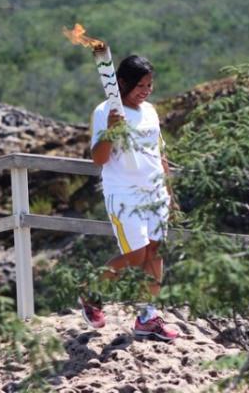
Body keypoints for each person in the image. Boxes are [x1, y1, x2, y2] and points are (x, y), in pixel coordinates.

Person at [79, 55, 178, 341]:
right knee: (136, 255)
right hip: (124, 193)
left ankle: (148, 317)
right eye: (140, 85)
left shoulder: (149, 111)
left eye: (150, 84)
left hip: (155, 193)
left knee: (155, 253)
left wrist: (168, 190)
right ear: (121, 83)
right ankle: (90, 289)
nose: (146, 91)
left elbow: (159, 154)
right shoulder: (105, 111)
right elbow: (99, 158)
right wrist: (111, 128)